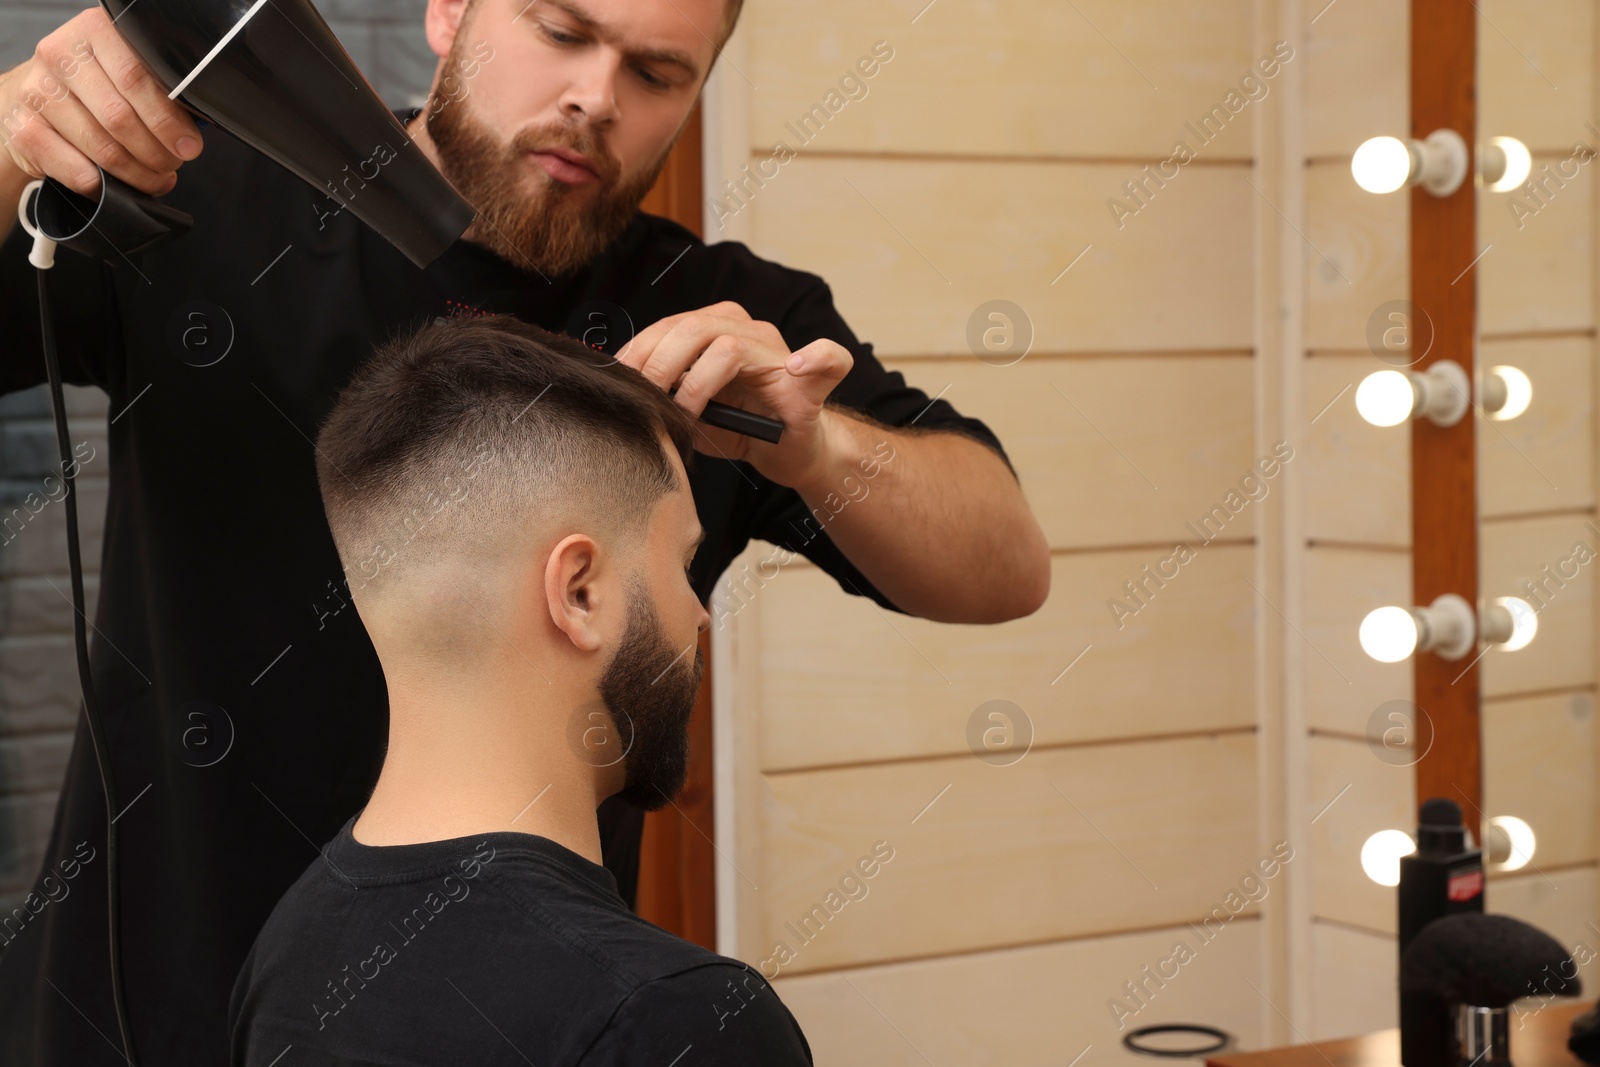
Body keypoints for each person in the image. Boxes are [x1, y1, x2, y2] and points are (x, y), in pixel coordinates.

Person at [0, 0, 1051, 1062]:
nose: (597, 97)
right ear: (449, 10)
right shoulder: (212, 200)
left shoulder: (716, 318)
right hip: (137, 1008)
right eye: (560, 30)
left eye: (655, 74)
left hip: (512, 1016)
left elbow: (1004, 563)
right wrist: (10, 132)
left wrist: (817, 450)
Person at [230, 314, 813, 1064]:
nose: (700, 613)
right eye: (683, 563)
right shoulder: (675, 1018)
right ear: (578, 591)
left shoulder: (289, 952)